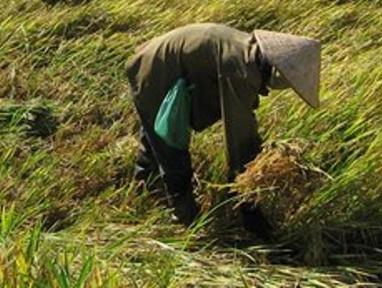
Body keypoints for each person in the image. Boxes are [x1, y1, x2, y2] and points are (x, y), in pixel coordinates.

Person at [126, 23, 320, 233]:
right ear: (277, 70)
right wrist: (247, 192)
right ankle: (185, 221)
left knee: (155, 137)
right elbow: (239, 135)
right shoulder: (240, 68)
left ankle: (144, 194)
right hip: (157, 70)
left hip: (159, 61)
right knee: (169, 145)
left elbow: (240, 115)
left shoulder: (247, 50)